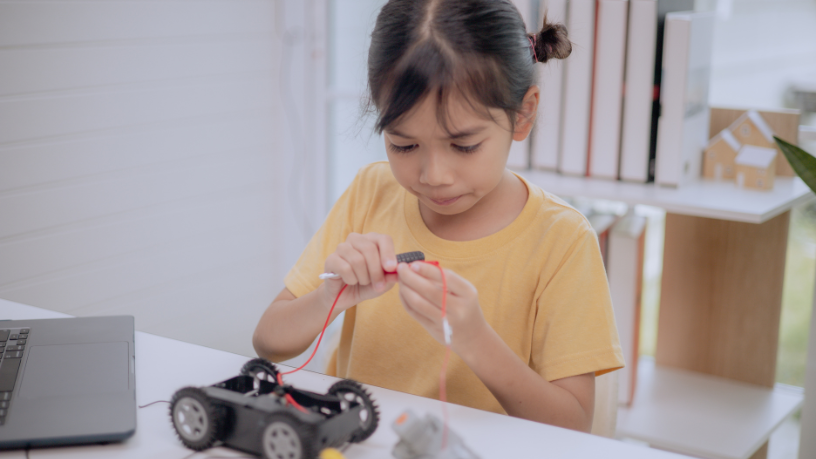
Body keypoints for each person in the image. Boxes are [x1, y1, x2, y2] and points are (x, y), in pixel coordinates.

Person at [253, 0, 623, 433]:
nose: (434, 177)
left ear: (523, 113)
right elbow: (268, 341)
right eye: (403, 146)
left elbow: (573, 425)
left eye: (464, 146)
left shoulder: (561, 240)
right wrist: (334, 296)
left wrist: (475, 340)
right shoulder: (372, 193)